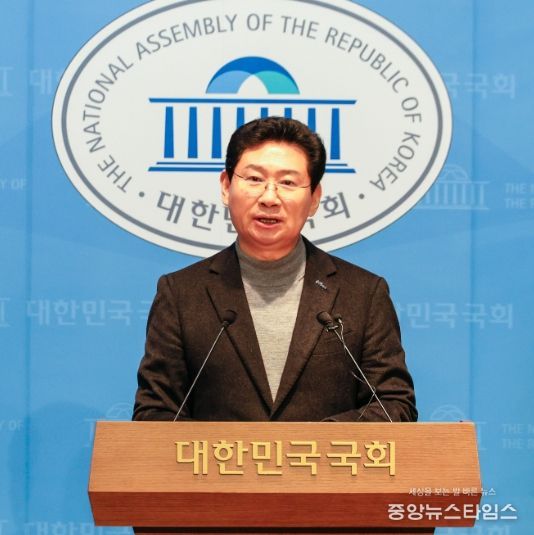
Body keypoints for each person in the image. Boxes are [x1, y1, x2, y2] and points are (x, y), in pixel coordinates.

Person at [133, 117, 417, 422]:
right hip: (218, 457)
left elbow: (394, 405)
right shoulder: (180, 294)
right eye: (254, 179)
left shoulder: (363, 294)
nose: (269, 198)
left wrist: (312, 442)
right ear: (226, 186)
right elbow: (155, 413)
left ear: (314, 198)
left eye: (288, 182)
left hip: (326, 455)